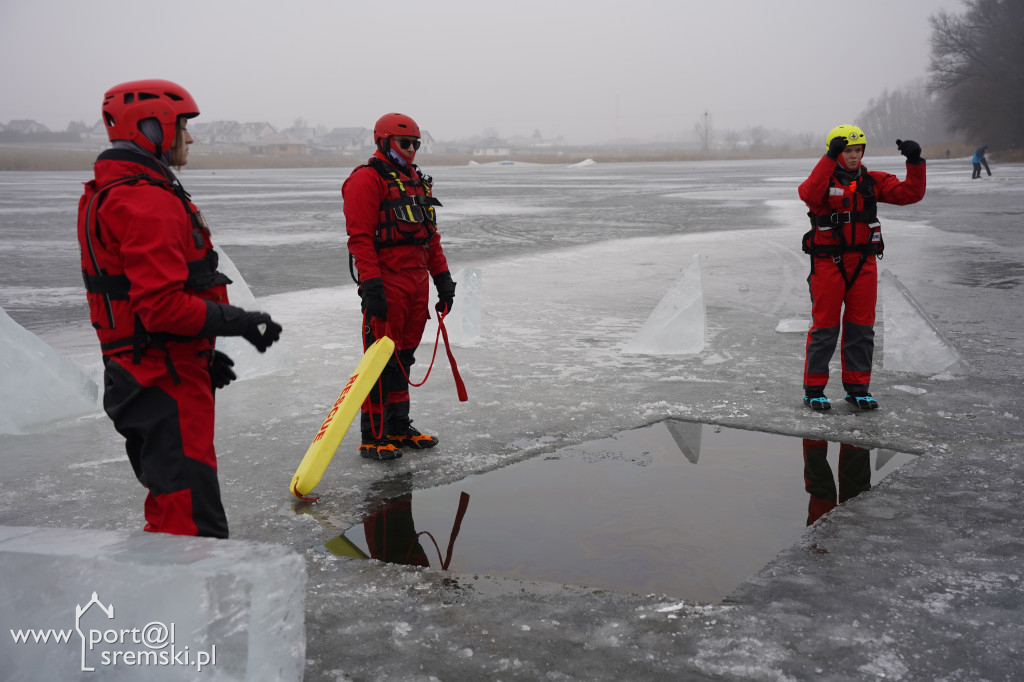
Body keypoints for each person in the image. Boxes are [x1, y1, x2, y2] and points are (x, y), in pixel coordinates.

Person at [77, 79, 282, 538]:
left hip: (152, 367)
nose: (189, 138)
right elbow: (161, 306)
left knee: (174, 501)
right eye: (183, 126)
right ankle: (184, 610)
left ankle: (172, 604)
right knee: (192, 523)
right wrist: (240, 321)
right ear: (153, 127)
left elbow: (138, 299)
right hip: (160, 377)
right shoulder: (146, 200)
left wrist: (201, 353)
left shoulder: (112, 192)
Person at [342, 113, 456, 460]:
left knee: (404, 359)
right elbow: (360, 239)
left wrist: (443, 280)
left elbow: (430, 239)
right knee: (381, 362)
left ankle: (398, 426)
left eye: (416, 144)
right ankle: (373, 436)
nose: (411, 150)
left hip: (416, 282)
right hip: (387, 281)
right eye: (404, 143)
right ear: (384, 142)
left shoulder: (418, 182)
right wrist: (372, 287)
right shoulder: (367, 180)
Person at [798, 124, 926, 411]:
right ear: (835, 152)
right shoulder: (823, 180)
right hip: (828, 263)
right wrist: (828, 159)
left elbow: (911, 193)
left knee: (861, 328)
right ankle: (814, 389)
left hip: (864, 264)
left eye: (858, 150)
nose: (854, 156)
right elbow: (808, 194)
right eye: (847, 151)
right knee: (826, 328)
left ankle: (858, 389)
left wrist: (915, 162)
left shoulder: (872, 182)